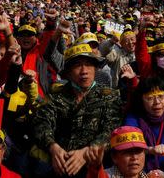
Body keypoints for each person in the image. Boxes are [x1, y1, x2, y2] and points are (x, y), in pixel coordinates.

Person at [31, 43, 122, 178]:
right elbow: (41, 123)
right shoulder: (56, 96)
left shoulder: (109, 96)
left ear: (95, 68)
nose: (84, 71)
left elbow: (111, 130)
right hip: (58, 164)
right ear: (68, 72)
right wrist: (53, 147)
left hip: (95, 168)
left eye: (89, 65)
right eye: (77, 65)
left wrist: (87, 152)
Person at [85, 126, 164, 178]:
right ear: (114, 157)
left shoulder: (149, 176)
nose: (134, 157)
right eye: (127, 152)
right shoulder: (106, 175)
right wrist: (95, 168)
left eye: (138, 151)